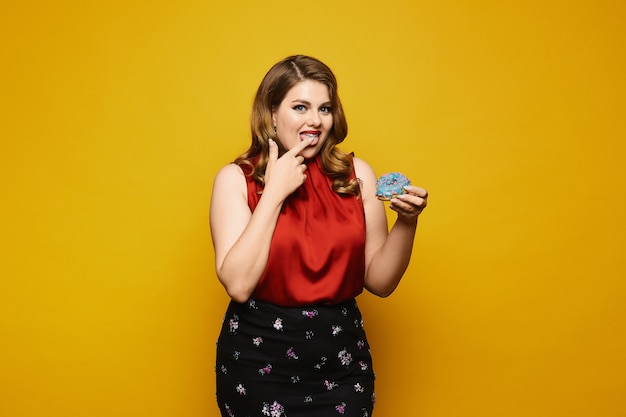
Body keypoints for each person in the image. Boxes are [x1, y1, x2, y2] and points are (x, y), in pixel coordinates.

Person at [209, 55, 428, 417]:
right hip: (258, 365)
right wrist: (275, 192)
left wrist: (407, 222)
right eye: (300, 107)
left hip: (341, 365)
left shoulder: (356, 175)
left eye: (324, 108)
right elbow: (238, 285)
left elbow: (380, 281)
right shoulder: (235, 180)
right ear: (272, 114)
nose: (315, 120)